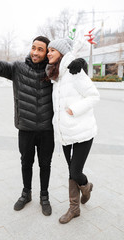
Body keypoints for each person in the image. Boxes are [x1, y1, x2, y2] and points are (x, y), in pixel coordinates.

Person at [0, 32, 55, 216]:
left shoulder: (53, 71)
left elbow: (72, 72)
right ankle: (26, 194)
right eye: (33, 48)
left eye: (40, 49)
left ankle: (44, 196)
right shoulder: (18, 68)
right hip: (25, 128)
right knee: (26, 163)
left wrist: (79, 64)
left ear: (47, 52)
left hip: (47, 129)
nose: (35, 52)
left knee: (45, 164)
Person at [46, 38, 100, 223]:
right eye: (48, 50)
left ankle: (86, 186)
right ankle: (74, 209)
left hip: (83, 131)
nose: (48, 53)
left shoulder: (74, 72)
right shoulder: (56, 76)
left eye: (52, 50)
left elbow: (94, 96)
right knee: (71, 171)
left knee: (76, 172)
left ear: (61, 53)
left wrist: (74, 109)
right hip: (65, 133)